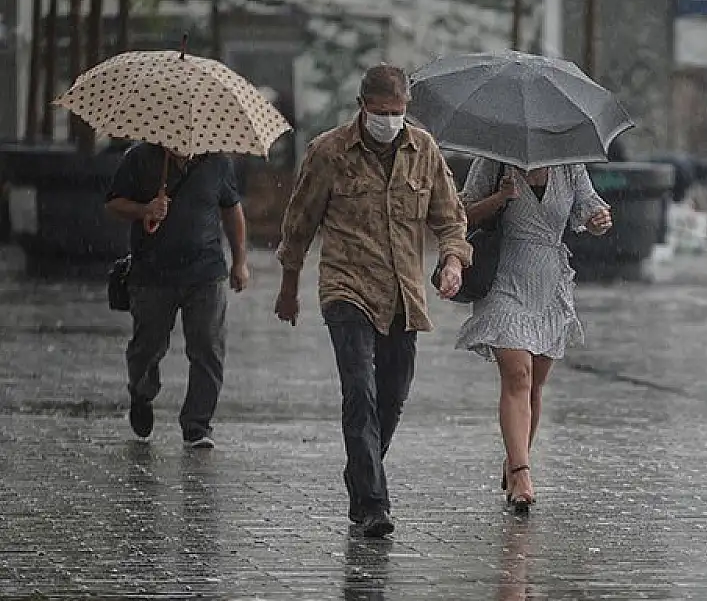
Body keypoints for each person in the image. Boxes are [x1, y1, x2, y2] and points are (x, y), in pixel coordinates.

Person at [274, 64, 471, 538]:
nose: (389, 120)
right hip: (348, 288)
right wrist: (288, 286)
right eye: (381, 111)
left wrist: (452, 262)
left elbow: (450, 219)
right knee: (359, 390)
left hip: (404, 294)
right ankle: (372, 503)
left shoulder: (424, 150)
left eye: (398, 111)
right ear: (362, 106)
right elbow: (299, 223)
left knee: (392, 398)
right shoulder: (329, 151)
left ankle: (362, 471)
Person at [456, 157, 613, 511]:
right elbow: (461, 214)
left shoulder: (570, 166)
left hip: (549, 284)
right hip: (504, 281)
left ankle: (514, 459)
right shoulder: (494, 161)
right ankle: (523, 472)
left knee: (535, 386)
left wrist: (599, 221)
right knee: (518, 375)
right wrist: (500, 198)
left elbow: (590, 208)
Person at [105, 142, 249, 449]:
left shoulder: (218, 162)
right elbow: (113, 204)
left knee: (208, 348)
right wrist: (145, 209)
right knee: (147, 346)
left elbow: (232, 209)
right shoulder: (140, 158)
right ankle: (141, 393)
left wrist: (240, 261)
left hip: (206, 272)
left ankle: (197, 425)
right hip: (152, 274)